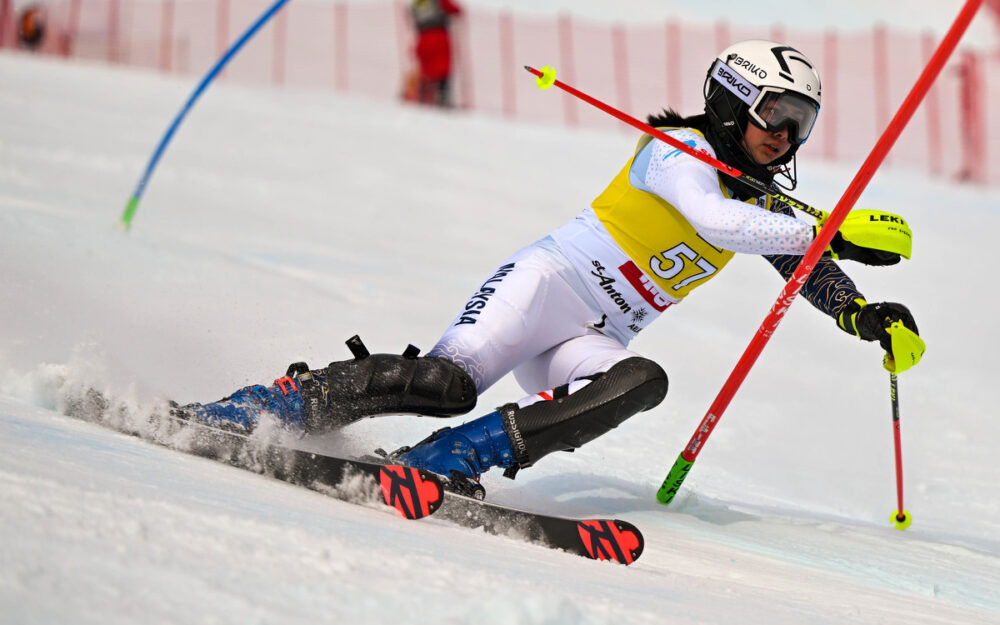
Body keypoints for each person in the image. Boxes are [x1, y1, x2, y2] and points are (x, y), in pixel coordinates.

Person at [178, 40, 920, 497]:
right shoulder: (679, 151)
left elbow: (803, 263)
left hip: (589, 336)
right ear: (729, 103)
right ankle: (267, 404)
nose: (785, 137)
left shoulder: (761, 199)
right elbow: (718, 224)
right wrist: (830, 228)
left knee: (641, 382)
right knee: (446, 383)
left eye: (802, 123)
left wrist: (864, 314)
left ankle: (445, 458)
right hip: (542, 289)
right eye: (774, 113)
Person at [407, 0, 462, 107]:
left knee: (426, 71)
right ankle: (443, 98)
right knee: (442, 70)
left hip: (422, 39)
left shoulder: (418, 2)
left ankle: (423, 96)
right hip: (439, 37)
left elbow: (411, 15)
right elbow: (455, 10)